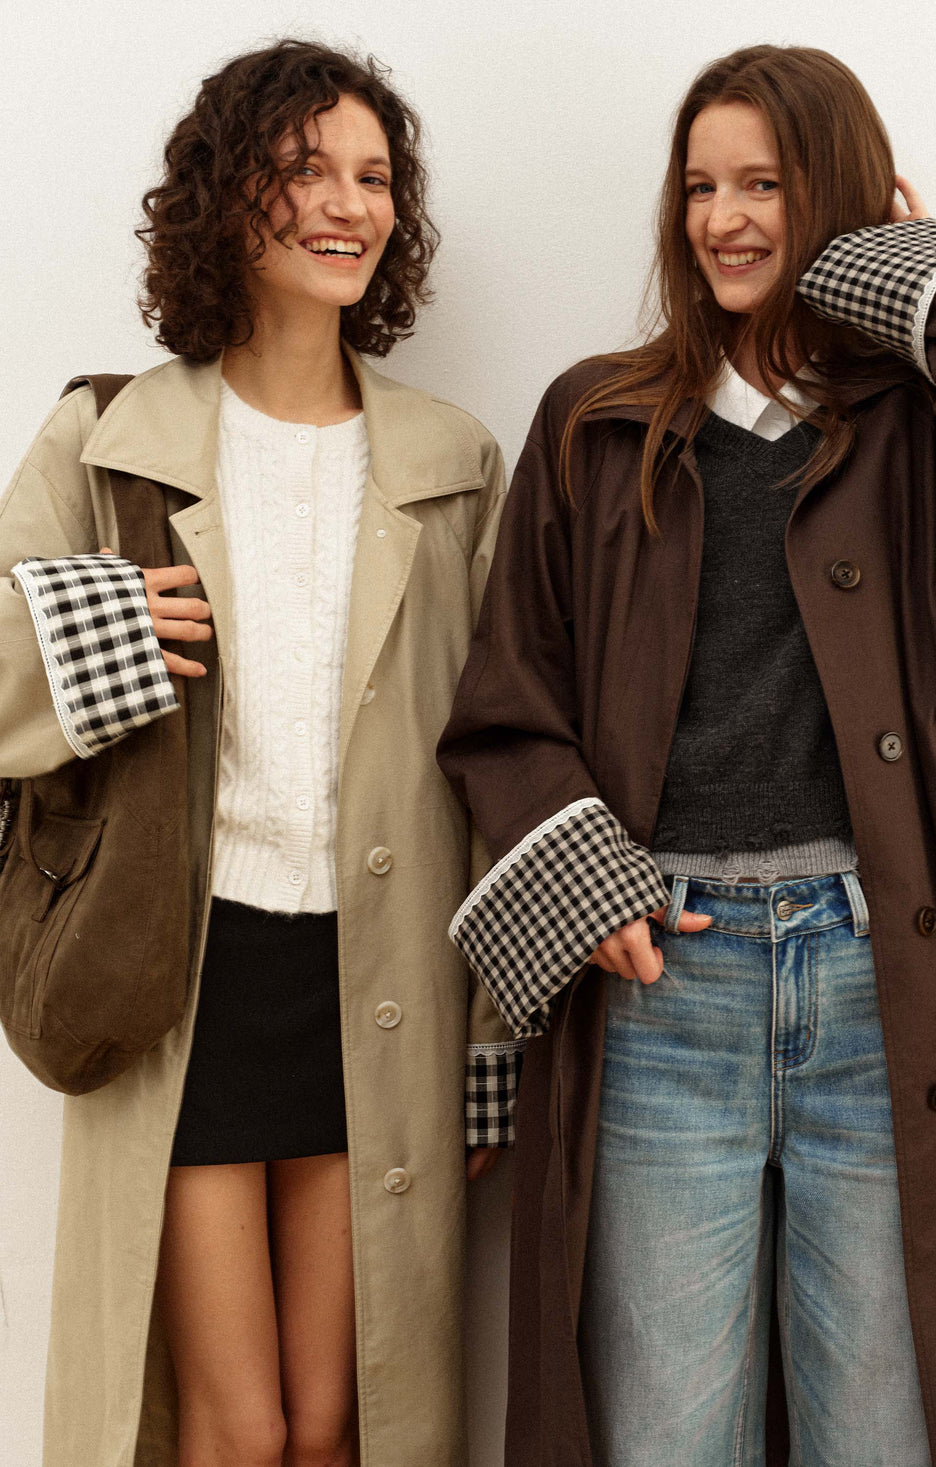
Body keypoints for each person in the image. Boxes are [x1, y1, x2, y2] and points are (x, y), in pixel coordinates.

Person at [437, 43, 936, 1467]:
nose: (723, 220)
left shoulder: (933, 434)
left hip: (882, 987)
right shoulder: (598, 422)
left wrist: (894, 265)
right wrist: (590, 890)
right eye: (700, 187)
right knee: (669, 1439)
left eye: (767, 185)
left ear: (841, 202)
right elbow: (505, 703)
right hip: (669, 987)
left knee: (885, 1435)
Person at [0, 38, 520, 1467]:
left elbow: (497, 762)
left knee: (343, 1424)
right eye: (306, 170)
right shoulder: (111, 437)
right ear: (232, 197)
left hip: (383, 982)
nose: (350, 206)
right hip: (188, 974)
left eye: (375, 177)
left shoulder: (453, 462)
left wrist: (492, 1047)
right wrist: (101, 631)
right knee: (236, 1431)